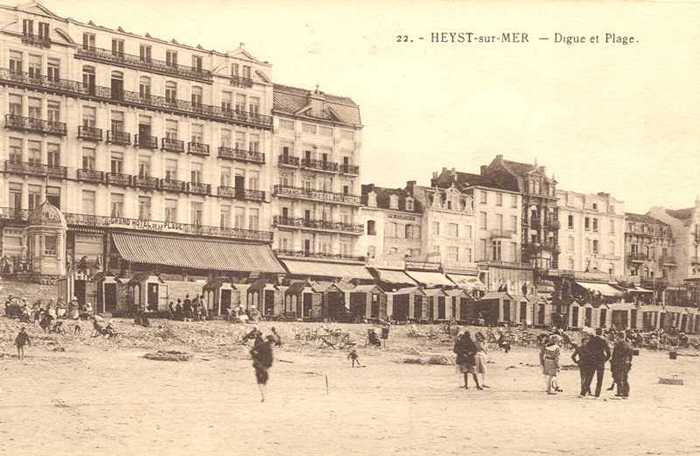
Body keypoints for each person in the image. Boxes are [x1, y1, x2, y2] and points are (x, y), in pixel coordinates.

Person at [586, 328, 611, 397]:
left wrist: (590, 357)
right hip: (600, 360)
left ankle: (583, 392)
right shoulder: (604, 340)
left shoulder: (591, 340)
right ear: (602, 333)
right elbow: (608, 352)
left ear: (596, 333)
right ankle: (597, 394)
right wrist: (605, 359)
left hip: (592, 360)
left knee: (589, 376)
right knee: (600, 378)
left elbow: (587, 350)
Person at [249, 333, 274, 402]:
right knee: (264, 381)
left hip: (258, 366)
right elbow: (270, 360)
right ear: (272, 341)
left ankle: (264, 396)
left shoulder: (262, 345)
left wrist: (255, 357)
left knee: (260, 381)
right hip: (263, 367)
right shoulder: (269, 348)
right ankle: (264, 396)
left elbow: (251, 351)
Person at [611, 332, 634, 398]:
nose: (616, 338)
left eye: (617, 337)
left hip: (619, 363)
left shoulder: (619, 345)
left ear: (619, 337)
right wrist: (629, 362)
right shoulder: (628, 345)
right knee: (624, 378)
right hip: (626, 364)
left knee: (619, 378)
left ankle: (621, 392)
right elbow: (630, 356)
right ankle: (624, 392)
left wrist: (613, 363)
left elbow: (615, 355)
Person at [572, 329, 594, 397]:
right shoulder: (590, 348)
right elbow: (573, 356)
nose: (586, 343)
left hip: (583, 364)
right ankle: (585, 391)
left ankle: (585, 391)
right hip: (587, 364)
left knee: (584, 378)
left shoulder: (579, 348)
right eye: (586, 342)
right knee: (586, 378)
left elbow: (573, 357)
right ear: (583, 342)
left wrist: (577, 362)